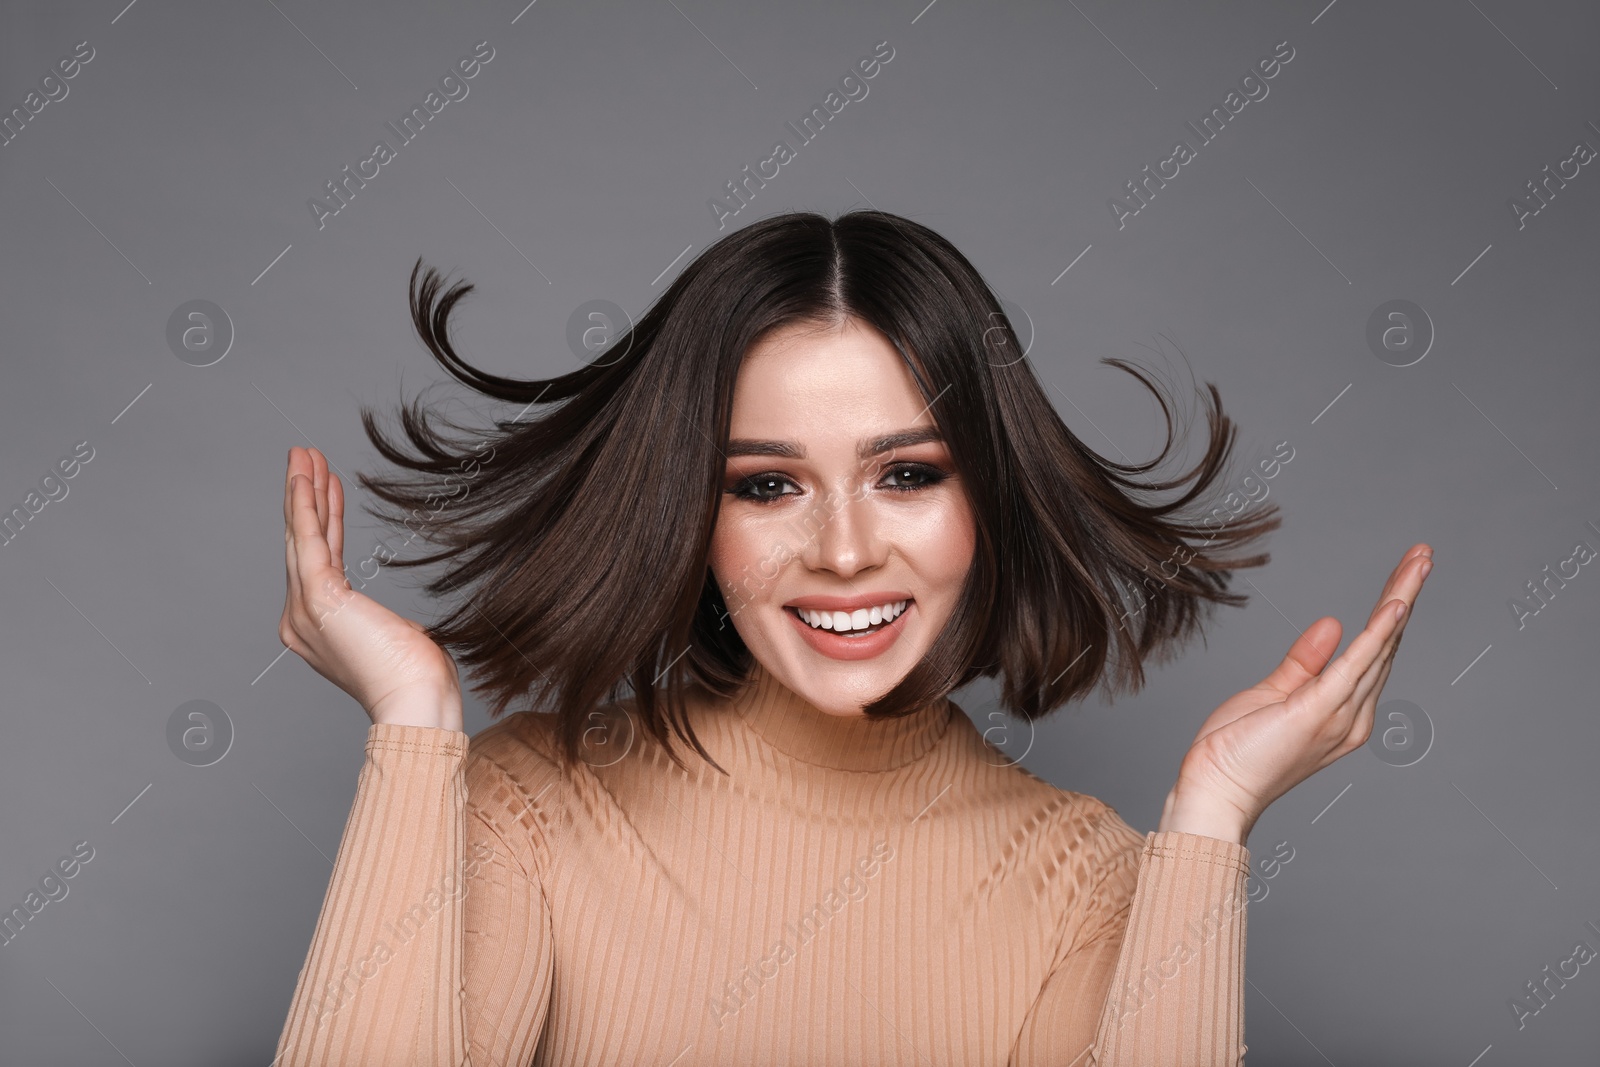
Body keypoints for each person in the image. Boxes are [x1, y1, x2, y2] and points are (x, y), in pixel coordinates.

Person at [271, 209, 1430, 1066]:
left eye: (907, 474)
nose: (840, 549)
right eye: (768, 486)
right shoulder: (525, 807)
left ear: (988, 501)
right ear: (691, 515)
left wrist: (1210, 824)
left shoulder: (1093, 886)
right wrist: (416, 724)